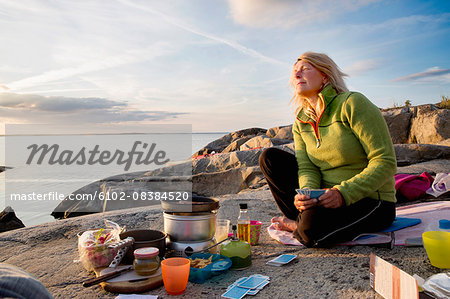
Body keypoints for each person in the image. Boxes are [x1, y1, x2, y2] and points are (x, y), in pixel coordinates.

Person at [259, 52, 397, 247]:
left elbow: (385, 162)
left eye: (305, 69)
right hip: (323, 199)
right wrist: (306, 194)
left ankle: (296, 225)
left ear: (325, 75)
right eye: (294, 72)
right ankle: (303, 218)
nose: (297, 75)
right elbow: (307, 168)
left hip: (370, 200)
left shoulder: (352, 103)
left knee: (311, 233)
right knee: (269, 157)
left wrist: (343, 194)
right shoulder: (301, 120)